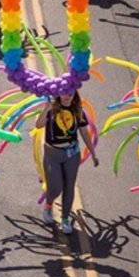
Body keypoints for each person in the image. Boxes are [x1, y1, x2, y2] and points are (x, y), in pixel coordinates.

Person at [35, 91, 99, 234]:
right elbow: (38, 125)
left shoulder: (77, 110)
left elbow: (84, 132)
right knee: (56, 187)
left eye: (70, 93)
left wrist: (93, 153)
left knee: (69, 186)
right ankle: (48, 204)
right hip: (52, 154)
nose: (67, 96)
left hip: (72, 154)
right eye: (64, 92)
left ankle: (65, 219)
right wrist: (46, 108)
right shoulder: (52, 108)